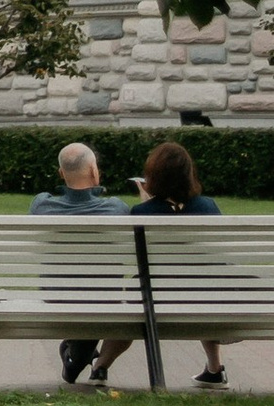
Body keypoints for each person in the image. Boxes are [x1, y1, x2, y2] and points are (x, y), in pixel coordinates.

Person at [81, 141, 228, 391]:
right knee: (201, 281)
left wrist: (147, 204)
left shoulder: (142, 211)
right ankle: (215, 370)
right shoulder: (209, 207)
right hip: (205, 299)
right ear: (188, 174)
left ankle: (100, 366)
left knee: (138, 300)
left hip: (153, 300)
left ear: (153, 177)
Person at [29, 139, 125, 386]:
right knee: (104, 299)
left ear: (61, 173)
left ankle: (77, 358)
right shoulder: (116, 209)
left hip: (56, 297)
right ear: (95, 171)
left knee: (83, 296)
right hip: (105, 300)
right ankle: (86, 361)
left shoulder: (42, 205)